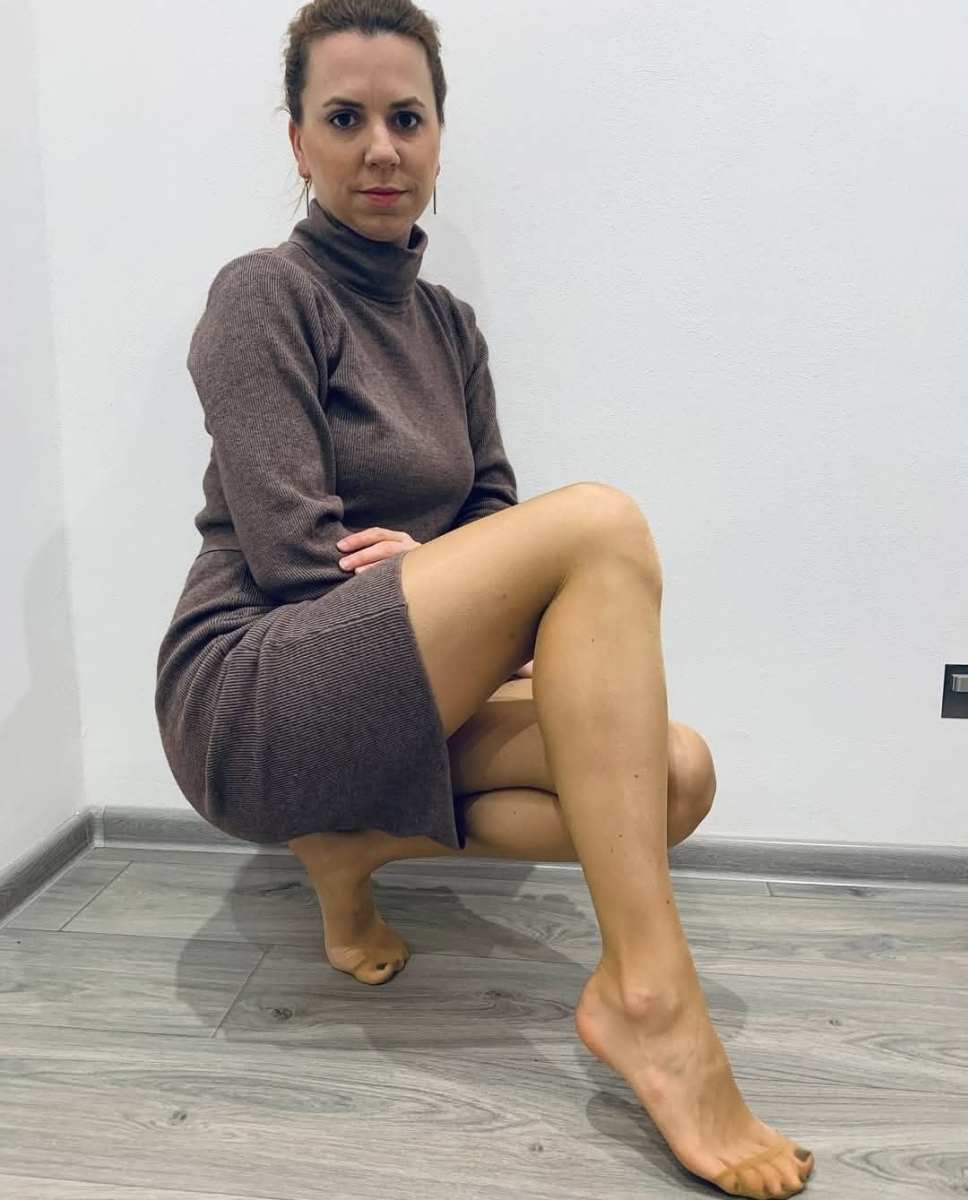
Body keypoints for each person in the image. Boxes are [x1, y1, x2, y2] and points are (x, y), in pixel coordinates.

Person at [154, 3, 816, 1197]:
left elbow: (492, 513)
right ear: (296, 141)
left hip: (390, 671)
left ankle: (349, 845)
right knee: (599, 522)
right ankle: (652, 1002)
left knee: (674, 778)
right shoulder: (263, 295)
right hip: (254, 686)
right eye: (343, 118)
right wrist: (465, 575)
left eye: (406, 119)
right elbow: (300, 560)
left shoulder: (448, 328)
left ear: (439, 137)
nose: (380, 148)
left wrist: (442, 563)